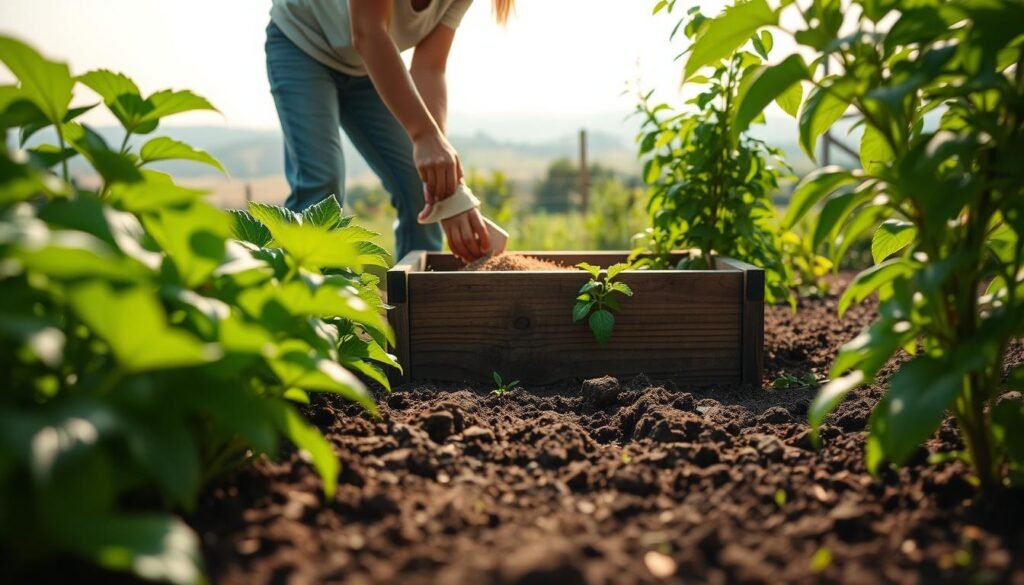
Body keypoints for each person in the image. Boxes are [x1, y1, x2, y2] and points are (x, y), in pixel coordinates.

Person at [266, 0, 513, 262]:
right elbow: (367, 31)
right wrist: (424, 136)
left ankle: (416, 299)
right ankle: (302, 295)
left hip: (370, 64)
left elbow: (429, 68)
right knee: (321, 184)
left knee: (419, 186)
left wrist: (445, 184)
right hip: (303, 45)